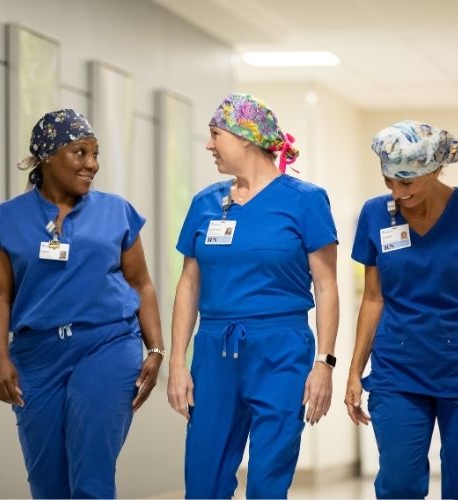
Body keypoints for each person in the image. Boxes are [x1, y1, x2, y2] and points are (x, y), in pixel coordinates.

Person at [0, 109, 165, 498]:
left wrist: (156, 347)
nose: (91, 164)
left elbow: (141, 284)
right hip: (36, 354)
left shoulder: (117, 213)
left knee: (92, 476)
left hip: (107, 344)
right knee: (48, 483)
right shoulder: (6, 219)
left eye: (95, 154)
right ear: (48, 156)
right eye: (80, 153)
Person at [167, 93, 340, 498]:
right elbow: (189, 283)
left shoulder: (305, 200)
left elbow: (326, 284)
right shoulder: (206, 202)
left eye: (214, 134)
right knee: (203, 478)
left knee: (267, 480)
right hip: (214, 350)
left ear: (246, 138)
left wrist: (325, 364)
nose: (208, 145)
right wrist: (177, 362)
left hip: (281, 349)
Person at [345, 120, 458, 499]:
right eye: (388, 180)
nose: (396, 192)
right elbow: (373, 298)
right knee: (399, 483)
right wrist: (355, 372)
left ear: (436, 169)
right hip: (397, 369)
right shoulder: (376, 215)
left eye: (407, 182)